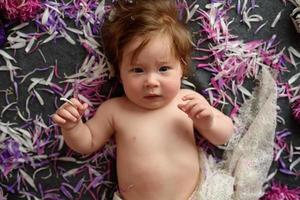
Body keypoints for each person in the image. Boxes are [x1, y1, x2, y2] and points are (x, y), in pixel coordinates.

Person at [52, 0, 234, 199]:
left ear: (181, 68)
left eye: (163, 69)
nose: (151, 81)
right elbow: (87, 142)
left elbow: (224, 136)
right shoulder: (115, 110)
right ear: (120, 74)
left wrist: (208, 121)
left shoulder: (188, 100)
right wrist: (72, 127)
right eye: (137, 70)